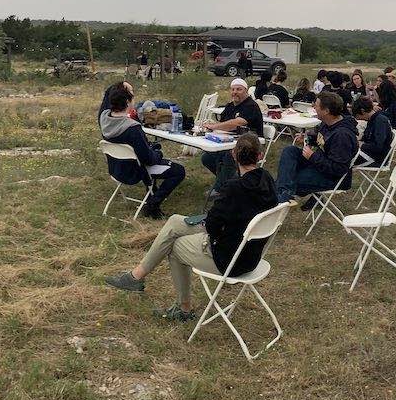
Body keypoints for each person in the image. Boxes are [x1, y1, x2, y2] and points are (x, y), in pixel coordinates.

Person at [104, 134, 278, 322]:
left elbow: (212, 226)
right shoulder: (266, 180)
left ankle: (183, 309)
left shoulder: (234, 189)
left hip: (230, 258)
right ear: (259, 156)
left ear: (233, 155)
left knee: (176, 246)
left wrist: (208, 222)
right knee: (176, 221)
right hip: (250, 253)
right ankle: (136, 276)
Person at [100, 86, 186, 219]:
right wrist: (158, 153)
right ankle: (152, 204)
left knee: (149, 153)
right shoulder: (132, 128)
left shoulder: (104, 119)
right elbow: (148, 159)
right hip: (135, 170)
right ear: (128, 102)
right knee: (178, 171)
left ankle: (151, 193)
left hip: (116, 168)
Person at [275, 91, 359, 204]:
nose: (314, 107)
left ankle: (281, 197)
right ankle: (284, 194)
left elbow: (338, 169)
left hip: (332, 178)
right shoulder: (327, 123)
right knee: (290, 151)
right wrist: (308, 138)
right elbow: (324, 140)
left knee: (290, 178)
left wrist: (312, 156)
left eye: (317, 105)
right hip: (319, 164)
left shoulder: (342, 136)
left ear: (326, 111)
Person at [198, 78, 266, 184]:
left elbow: (236, 123)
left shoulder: (251, 106)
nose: (235, 92)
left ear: (246, 91)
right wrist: (210, 126)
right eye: (233, 89)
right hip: (231, 141)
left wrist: (214, 126)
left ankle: (222, 188)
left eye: (239, 89)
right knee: (207, 157)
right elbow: (223, 124)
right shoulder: (230, 105)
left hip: (250, 144)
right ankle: (228, 181)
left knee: (229, 155)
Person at [353, 96, 392, 164]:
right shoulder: (373, 119)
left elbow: (379, 147)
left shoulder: (379, 121)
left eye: (357, 116)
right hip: (371, 153)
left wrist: (361, 145)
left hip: (376, 157)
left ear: (362, 111)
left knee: (342, 158)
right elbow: (368, 137)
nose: (358, 119)